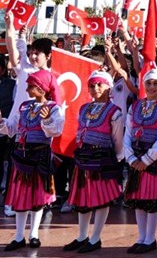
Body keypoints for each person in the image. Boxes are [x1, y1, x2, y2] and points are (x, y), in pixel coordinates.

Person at [2, 70, 64, 251]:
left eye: (31, 86)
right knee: (20, 196)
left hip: (39, 156)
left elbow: (55, 131)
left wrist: (46, 120)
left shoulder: (54, 108)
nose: (27, 89)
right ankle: (19, 236)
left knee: (37, 197)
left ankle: (34, 234)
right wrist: (2, 123)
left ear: (42, 89)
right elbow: (13, 129)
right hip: (22, 156)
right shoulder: (24, 106)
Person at [65, 70, 123, 254]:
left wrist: (117, 158)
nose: (95, 88)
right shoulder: (84, 108)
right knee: (83, 198)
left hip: (102, 158)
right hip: (83, 157)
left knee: (101, 199)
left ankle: (96, 237)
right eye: (92, 85)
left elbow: (118, 138)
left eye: (100, 84)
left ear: (108, 86)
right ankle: (82, 236)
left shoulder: (115, 111)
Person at [124, 68, 157, 254]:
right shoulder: (135, 106)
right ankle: (141, 237)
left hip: (153, 159)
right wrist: (130, 157)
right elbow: (128, 133)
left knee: (151, 200)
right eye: (148, 83)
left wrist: (146, 159)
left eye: (156, 83)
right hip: (136, 157)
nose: (152, 87)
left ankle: (150, 238)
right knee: (138, 199)